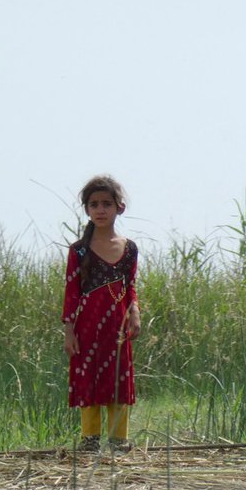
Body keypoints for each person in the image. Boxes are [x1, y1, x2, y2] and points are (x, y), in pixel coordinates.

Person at [62, 175, 142, 452]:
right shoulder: (79, 250)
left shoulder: (129, 248)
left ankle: (119, 441)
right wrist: (69, 330)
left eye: (106, 204)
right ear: (87, 209)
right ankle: (90, 440)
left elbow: (130, 286)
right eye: (94, 204)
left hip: (117, 327)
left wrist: (135, 314)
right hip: (86, 327)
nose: (100, 209)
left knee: (118, 378)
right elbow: (71, 293)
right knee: (89, 377)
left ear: (119, 208)